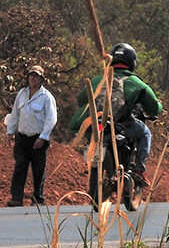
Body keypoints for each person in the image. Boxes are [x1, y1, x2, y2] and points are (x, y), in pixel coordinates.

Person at [67, 43, 162, 183]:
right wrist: (158, 107)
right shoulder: (135, 82)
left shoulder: (97, 80)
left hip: (95, 124)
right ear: (132, 63)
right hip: (120, 126)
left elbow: (81, 100)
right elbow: (153, 107)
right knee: (145, 132)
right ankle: (139, 170)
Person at [6, 65, 58, 206]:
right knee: (20, 166)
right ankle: (17, 198)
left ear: (41, 79)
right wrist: (10, 131)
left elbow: (51, 119)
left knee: (38, 169)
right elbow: (15, 114)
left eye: (36, 76)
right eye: (31, 75)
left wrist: (43, 137)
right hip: (22, 138)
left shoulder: (46, 97)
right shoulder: (22, 94)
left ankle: (38, 199)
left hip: (38, 139)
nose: (33, 78)